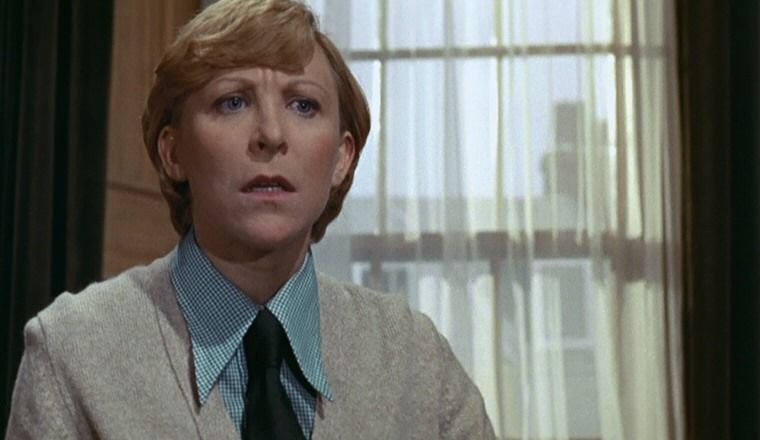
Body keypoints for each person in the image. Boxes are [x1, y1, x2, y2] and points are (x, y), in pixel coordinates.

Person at [5, 0, 495, 438]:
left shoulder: (416, 361)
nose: (271, 134)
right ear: (173, 152)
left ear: (342, 158)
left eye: (303, 105)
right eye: (233, 102)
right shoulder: (71, 354)